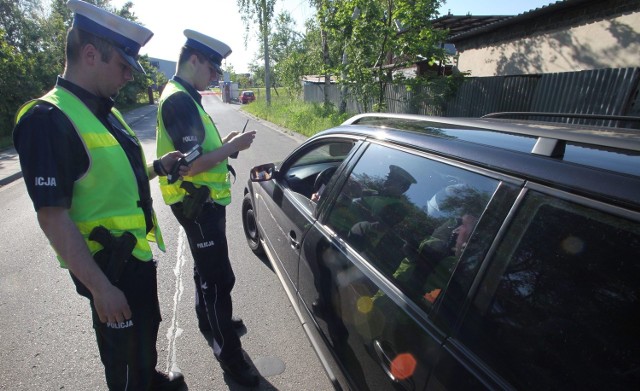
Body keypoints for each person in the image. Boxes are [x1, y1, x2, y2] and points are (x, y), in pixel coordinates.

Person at [12, 1, 189, 390]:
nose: (129, 75)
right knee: (123, 365)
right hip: (110, 271)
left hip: (134, 262)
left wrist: (158, 167)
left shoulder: (101, 109)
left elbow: (114, 176)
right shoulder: (48, 118)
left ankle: (148, 374)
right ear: (91, 54)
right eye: (123, 65)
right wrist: (100, 288)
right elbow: (52, 216)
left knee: (143, 336)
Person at [155, 29, 258, 387]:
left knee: (207, 276)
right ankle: (230, 358)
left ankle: (212, 326)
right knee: (218, 281)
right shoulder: (179, 100)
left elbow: (197, 150)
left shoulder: (185, 95)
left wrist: (227, 143)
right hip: (197, 205)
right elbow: (190, 165)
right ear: (193, 60)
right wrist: (232, 148)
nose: (216, 76)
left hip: (202, 204)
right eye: (212, 68)